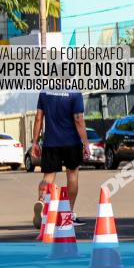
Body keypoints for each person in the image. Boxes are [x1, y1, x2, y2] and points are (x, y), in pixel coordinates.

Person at [31, 90, 90, 229]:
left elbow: (38, 118)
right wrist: (86, 143)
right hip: (71, 143)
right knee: (72, 176)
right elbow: (78, 119)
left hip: (51, 143)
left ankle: (41, 201)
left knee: (48, 177)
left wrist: (35, 142)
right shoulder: (75, 93)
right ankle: (68, 213)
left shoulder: (44, 93)